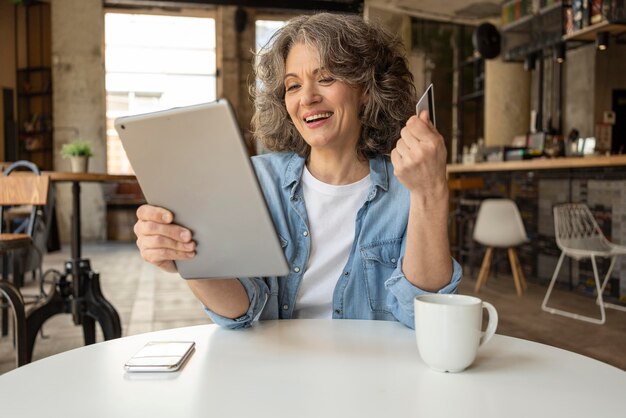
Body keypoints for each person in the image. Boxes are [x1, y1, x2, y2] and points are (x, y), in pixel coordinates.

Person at [134, 13, 461, 330]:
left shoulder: (407, 184)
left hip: (374, 373)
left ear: (366, 88)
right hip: (280, 370)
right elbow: (241, 311)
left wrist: (429, 193)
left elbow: (423, 314)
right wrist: (188, 257)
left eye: (326, 78)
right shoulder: (259, 181)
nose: (307, 97)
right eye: (293, 86)